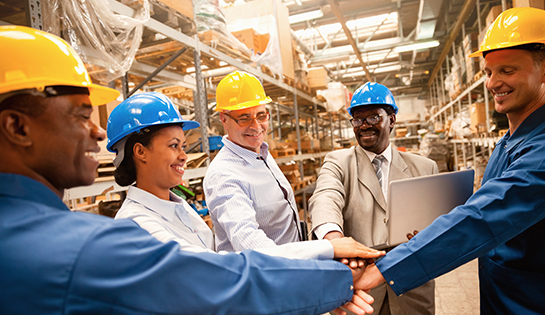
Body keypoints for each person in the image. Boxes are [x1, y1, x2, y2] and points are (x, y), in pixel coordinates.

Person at [0, 25, 382, 315]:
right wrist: (330, 269)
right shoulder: (107, 238)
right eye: (82, 115)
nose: (96, 130)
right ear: (17, 127)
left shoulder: (182, 205)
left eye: (261, 115)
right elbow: (219, 278)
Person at [357, 7, 545, 315]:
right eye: (488, 72)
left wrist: (384, 269)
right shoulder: (510, 140)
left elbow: (485, 217)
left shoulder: (540, 152)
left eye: (507, 71)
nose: (493, 83)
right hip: (501, 297)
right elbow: (484, 209)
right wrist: (436, 226)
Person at [108, 92, 380, 265]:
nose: (184, 156)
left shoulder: (179, 207)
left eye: (261, 115)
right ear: (140, 152)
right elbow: (219, 267)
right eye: (174, 146)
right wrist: (326, 249)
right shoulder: (137, 224)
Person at [308, 82, 438, 315]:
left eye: (374, 117)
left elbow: (439, 224)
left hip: (411, 290)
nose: (365, 125)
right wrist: (334, 239)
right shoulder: (339, 163)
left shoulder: (425, 168)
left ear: (392, 119)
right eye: (358, 120)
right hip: (360, 293)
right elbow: (325, 198)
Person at [203, 71, 305, 252]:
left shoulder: (260, 153)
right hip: (268, 274)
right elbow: (249, 241)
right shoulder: (223, 175)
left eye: (261, 115)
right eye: (244, 118)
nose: (256, 126)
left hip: (292, 265)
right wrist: (322, 249)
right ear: (224, 119)